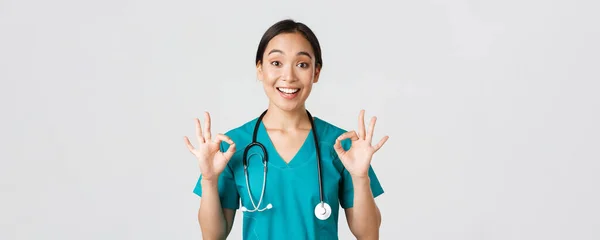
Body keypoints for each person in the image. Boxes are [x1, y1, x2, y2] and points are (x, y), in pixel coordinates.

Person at [183, 19, 389, 240]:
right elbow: (214, 236)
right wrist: (209, 180)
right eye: (276, 63)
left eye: (302, 64)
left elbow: (369, 235)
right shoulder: (231, 147)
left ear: (316, 73)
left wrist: (360, 177)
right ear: (260, 69)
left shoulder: (341, 145)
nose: (289, 76)